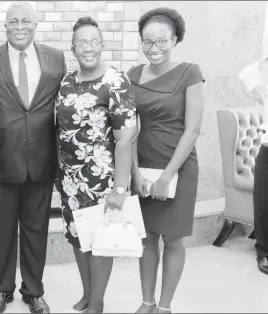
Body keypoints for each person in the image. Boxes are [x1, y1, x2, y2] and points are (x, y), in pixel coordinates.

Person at [0, 2, 66, 313]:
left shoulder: (55, 59)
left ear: (35, 25)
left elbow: (60, 111)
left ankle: (34, 290)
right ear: (5, 26)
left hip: (42, 162)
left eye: (26, 21)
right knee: (2, 228)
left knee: (36, 230)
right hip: (0, 164)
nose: (19, 26)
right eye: (13, 21)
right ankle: (2, 288)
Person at [56, 17, 137, 314]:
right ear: (72, 47)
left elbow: (126, 138)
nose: (88, 48)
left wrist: (120, 187)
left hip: (103, 180)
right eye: (81, 43)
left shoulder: (116, 81)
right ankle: (88, 293)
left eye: (93, 42)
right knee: (78, 238)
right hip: (70, 180)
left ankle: (98, 302)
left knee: (101, 239)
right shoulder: (67, 81)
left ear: (102, 45)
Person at [127, 8, 205, 313]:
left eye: (161, 41)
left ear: (174, 40)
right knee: (146, 239)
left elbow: (193, 129)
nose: (154, 48)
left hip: (180, 167)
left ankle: (165, 306)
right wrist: (135, 174)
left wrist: (165, 177)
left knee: (173, 239)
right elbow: (129, 130)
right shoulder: (132, 76)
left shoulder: (190, 73)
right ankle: (147, 302)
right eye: (147, 42)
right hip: (143, 166)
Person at [238, 55, 268, 276]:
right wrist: (262, 62)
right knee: (263, 204)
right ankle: (263, 251)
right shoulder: (266, 94)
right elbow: (246, 77)